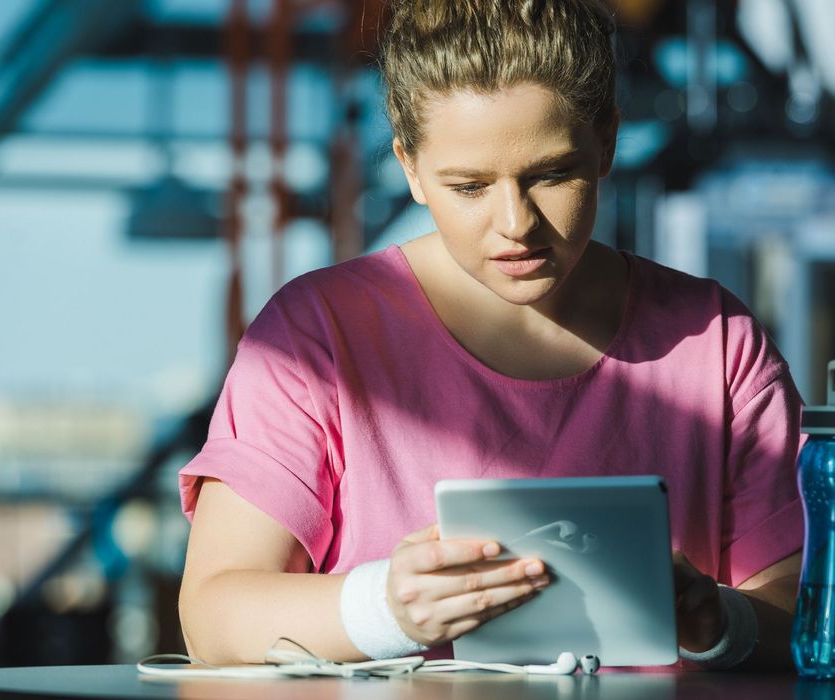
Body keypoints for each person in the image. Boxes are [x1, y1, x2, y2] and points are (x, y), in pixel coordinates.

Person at [177, 0, 803, 671]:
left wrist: (720, 620)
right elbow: (213, 617)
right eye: (470, 186)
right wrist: (385, 611)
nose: (516, 224)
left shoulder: (718, 344)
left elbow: (822, 612)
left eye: (551, 175)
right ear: (410, 168)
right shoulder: (315, 338)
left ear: (608, 143)